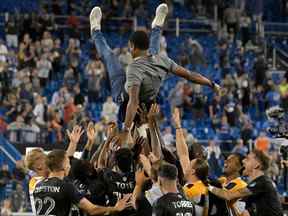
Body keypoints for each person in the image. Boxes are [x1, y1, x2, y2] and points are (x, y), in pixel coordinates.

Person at [89, 4, 220, 130]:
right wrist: (211, 84)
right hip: (145, 97)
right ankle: (156, 27)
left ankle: (95, 30)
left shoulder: (134, 67)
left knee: (109, 56)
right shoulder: (162, 60)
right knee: (154, 53)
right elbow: (190, 75)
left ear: (132, 46)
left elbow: (133, 102)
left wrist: (125, 130)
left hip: (124, 96)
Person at [32, 150, 131, 216]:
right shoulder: (66, 186)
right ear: (63, 166)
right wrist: (115, 208)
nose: (70, 166)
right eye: (68, 162)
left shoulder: (38, 185)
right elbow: (92, 209)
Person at [208, 150, 283, 216]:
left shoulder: (262, 182)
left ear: (256, 165)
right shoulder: (255, 185)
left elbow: (228, 196)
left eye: (248, 159)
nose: (243, 161)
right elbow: (245, 212)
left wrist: (208, 186)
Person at [172, 108, 209, 215]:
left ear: (193, 171)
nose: (186, 165)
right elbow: (183, 154)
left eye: (190, 164)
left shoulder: (199, 190)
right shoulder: (195, 182)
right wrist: (178, 126)